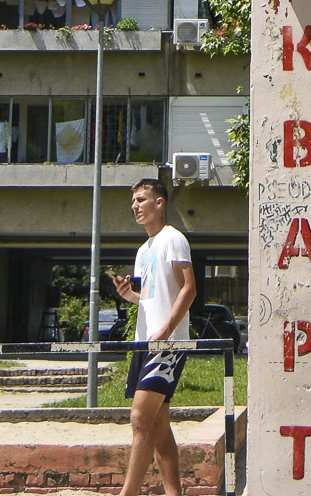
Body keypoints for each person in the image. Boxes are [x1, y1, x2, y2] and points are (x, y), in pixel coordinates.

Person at [112, 177, 198, 496]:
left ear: (158, 202)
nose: (135, 206)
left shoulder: (173, 238)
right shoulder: (143, 249)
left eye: (141, 199)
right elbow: (152, 298)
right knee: (159, 425)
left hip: (167, 344)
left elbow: (189, 288)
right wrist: (130, 296)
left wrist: (167, 329)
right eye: (133, 201)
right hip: (144, 343)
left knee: (139, 418)